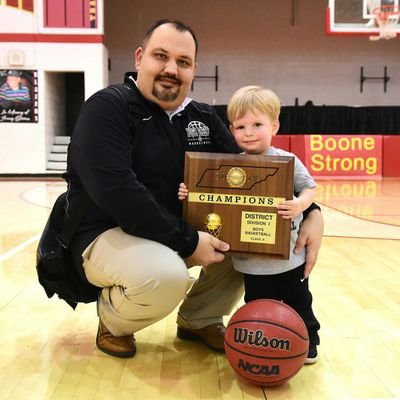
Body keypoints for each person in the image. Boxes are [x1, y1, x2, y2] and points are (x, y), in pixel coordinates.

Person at [65, 19, 324, 358]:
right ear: (140, 58)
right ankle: (114, 321)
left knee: (248, 237)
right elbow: (117, 192)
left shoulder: (200, 116)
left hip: (173, 233)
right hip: (104, 233)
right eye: (161, 56)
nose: (171, 69)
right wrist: (189, 241)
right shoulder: (107, 108)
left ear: (193, 70)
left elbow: (251, 175)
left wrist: (312, 212)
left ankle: (198, 319)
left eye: (183, 62)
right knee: (164, 274)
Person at [179, 85, 321, 363]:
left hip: (289, 259)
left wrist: (300, 205)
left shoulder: (287, 161)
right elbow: (210, 197)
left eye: (257, 124)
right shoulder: (228, 167)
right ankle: (265, 345)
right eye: (241, 126)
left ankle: (310, 340)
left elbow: (310, 188)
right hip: (250, 263)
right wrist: (189, 193)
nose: (249, 132)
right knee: (257, 308)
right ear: (231, 130)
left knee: (300, 303)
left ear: (275, 126)